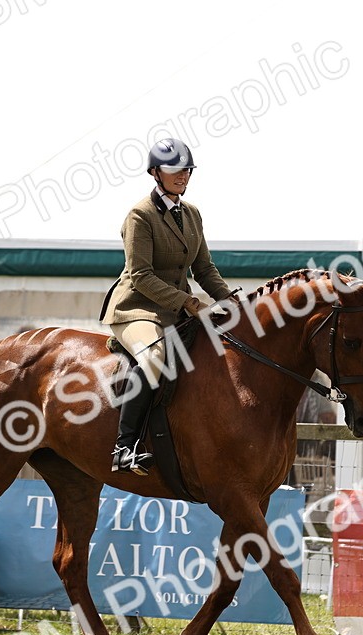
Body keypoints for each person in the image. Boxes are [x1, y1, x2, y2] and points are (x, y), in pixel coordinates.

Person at [98, 137, 234, 475]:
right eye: (175, 170)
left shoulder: (192, 215)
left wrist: (231, 301)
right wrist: (189, 302)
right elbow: (140, 275)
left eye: (186, 170)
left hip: (174, 312)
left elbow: (203, 269)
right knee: (155, 356)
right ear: (156, 172)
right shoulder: (139, 216)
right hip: (136, 309)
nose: (182, 176)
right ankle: (124, 447)